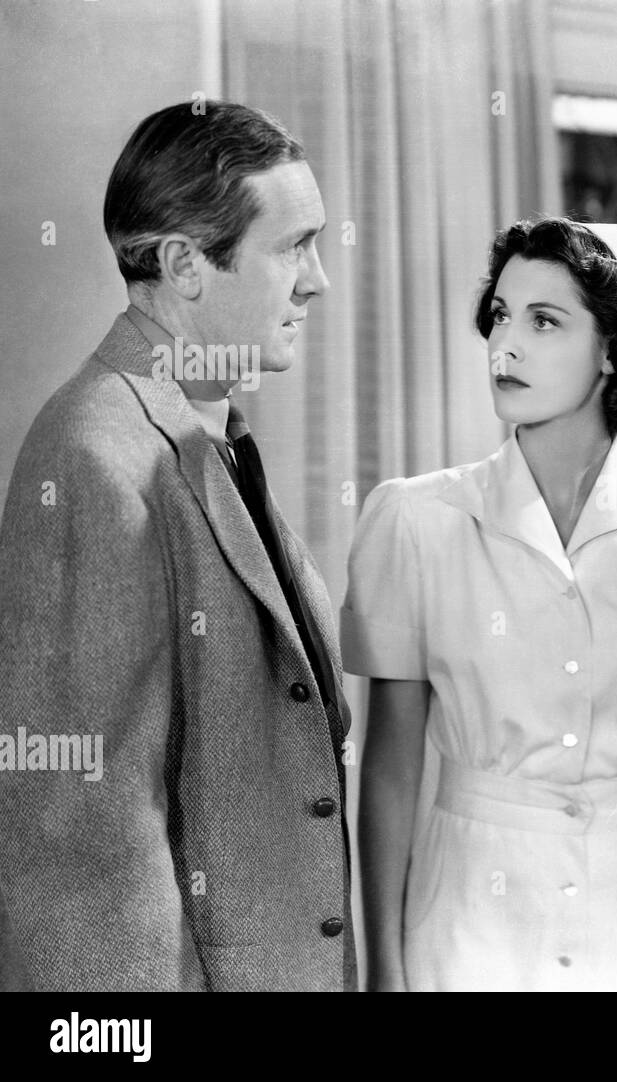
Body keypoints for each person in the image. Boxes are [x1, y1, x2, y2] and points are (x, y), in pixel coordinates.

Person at [343, 217, 617, 992]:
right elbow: (392, 766)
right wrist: (385, 970)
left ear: (613, 348)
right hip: (470, 910)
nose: (506, 346)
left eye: (545, 322)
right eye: (500, 316)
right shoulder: (415, 522)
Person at [0, 102, 355, 991]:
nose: (317, 282)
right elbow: (79, 838)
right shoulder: (94, 453)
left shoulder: (206, 427)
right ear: (186, 265)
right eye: (292, 246)